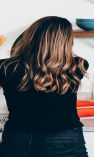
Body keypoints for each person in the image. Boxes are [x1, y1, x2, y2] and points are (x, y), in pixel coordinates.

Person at [0, 16, 89, 157]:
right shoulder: (78, 65)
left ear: (30, 37)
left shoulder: (5, 67)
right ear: (65, 42)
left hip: (18, 138)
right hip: (65, 138)